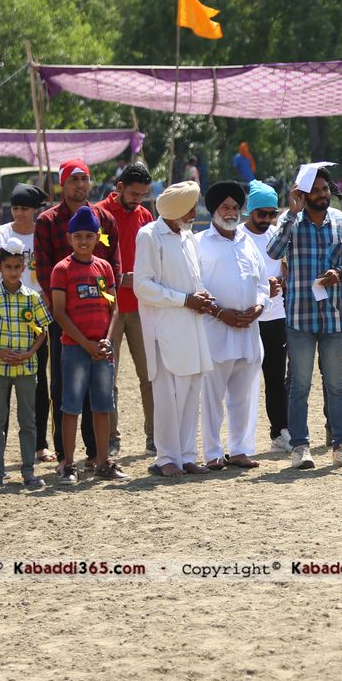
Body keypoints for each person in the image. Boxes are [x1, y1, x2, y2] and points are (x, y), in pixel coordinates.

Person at [267, 162, 342, 469]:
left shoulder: (340, 220)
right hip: (300, 319)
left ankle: (341, 446)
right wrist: (291, 213)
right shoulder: (291, 221)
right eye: (316, 190)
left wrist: (340, 273)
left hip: (333, 318)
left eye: (325, 189)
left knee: (336, 386)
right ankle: (300, 448)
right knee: (299, 386)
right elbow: (273, 252)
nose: (323, 194)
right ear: (303, 194)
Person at [34, 158, 121, 468]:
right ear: (62, 184)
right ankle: (65, 457)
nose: (80, 185)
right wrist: (65, 311)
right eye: (73, 179)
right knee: (64, 388)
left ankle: (97, 455)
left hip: (100, 319)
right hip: (65, 319)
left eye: (84, 179)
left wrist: (106, 319)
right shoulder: (47, 221)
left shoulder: (105, 220)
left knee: (100, 392)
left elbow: (114, 265)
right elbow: (44, 270)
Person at [133, 182, 218, 477]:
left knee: (191, 389)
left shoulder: (188, 236)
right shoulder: (149, 235)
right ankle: (166, 458)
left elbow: (195, 279)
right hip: (165, 327)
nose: (194, 213)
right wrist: (184, 299)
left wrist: (203, 296)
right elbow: (142, 286)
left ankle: (187, 455)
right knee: (168, 395)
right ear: (176, 209)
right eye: (190, 208)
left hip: (192, 325)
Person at [195, 180, 267, 469]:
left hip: (248, 329)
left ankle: (240, 450)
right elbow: (195, 284)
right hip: (216, 328)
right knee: (212, 396)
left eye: (236, 207)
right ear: (214, 210)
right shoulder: (199, 243)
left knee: (244, 395)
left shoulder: (247, 241)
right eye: (225, 207)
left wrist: (259, 306)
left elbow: (262, 283)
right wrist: (219, 312)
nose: (231, 212)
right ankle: (213, 453)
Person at [48, 205, 123, 484]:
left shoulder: (104, 267)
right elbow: (59, 312)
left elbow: (114, 308)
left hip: (102, 350)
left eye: (89, 236)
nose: (83, 241)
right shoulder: (62, 270)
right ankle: (68, 464)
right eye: (77, 236)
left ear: (97, 237)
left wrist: (106, 341)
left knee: (103, 406)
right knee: (71, 407)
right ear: (69, 238)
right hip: (74, 348)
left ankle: (103, 462)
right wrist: (85, 344)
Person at [0, 239, 51, 490]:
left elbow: (43, 331)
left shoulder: (33, 298)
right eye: (8, 267)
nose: (13, 272)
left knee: (28, 420)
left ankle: (28, 471)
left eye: (18, 267)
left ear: (24, 267)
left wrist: (30, 353)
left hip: (26, 368)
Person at [94, 161, 157, 455]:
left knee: (150, 374)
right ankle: (111, 438)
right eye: (134, 194)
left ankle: (154, 435)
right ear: (119, 187)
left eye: (143, 195)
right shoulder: (98, 215)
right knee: (108, 375)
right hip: (108, 309)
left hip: (142, 307)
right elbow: (90, 257)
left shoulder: (146, 216)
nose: (138, 200)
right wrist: (120, 279)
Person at [0, 182, 55, 462]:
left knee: (38, 382)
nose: (19, 213)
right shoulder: (0, 234)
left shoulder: (42, 234)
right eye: (15, 207)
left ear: (35, 210)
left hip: (36, 320)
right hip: (5, 319)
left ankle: (39, 443)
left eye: (25, 208)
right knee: (2, 385)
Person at [239, 181, 290, 451]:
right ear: (250, 211)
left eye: (272, 214)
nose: (267, 219)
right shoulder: (237, 236)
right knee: (243, 382)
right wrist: (260, 288)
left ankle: (279, 433)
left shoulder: (277, 235)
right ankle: (240, 440)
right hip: (247, 318)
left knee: (275, 379)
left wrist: (281, 281)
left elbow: (286, 269)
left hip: (276, 316)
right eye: (262, 214)